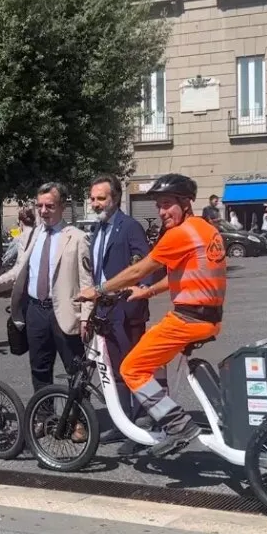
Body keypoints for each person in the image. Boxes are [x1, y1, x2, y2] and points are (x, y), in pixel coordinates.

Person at [76, 173, 226, 457]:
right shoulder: (205, 230)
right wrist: (148, 292)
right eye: (158, 205)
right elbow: (184, 275)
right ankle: (155, 415)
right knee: (152, 358)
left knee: (131, 368)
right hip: (207, 317)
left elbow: (139, 269)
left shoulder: (179, 234)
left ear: (185, 203)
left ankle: (178, 424)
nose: (161, 212)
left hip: (189, 319)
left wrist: (98, 290)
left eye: (167, 204)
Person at [0, 182, 94, 442]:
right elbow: (19, 269)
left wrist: (86, 317)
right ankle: (44, 417)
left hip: (65, 313)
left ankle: (79, 421)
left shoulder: (77, 238)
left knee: (75, 371)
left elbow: (87, 282)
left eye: (50, 206)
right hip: (35, 310)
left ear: (62, 206)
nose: (44, 211)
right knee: (39, 369)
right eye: (40, 206)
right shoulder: (33, 235)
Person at [87, 175, 164, 452]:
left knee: (134, 370)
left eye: (101, 198)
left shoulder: (129, 226)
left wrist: (141, 291)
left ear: (116, 198)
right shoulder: (97, 229)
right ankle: (123, 424)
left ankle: (142, 427)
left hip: (128, 309)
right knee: (115, 370)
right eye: (93, 199)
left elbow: (146, 265)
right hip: (105, 309)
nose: (95, 204)